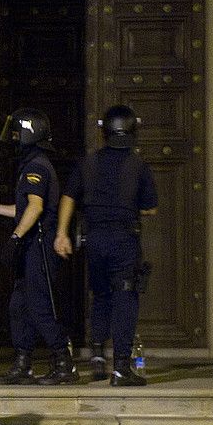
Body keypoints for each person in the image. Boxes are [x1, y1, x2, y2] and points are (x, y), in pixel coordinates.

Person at [55, 104, 158, 386]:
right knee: (125, 296)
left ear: (105, 132)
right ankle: (122, 368)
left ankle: (98, 355)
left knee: (100, 294)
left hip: (95, 239)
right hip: (124, 239)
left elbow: (68, 197)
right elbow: (150, 209)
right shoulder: (139, 166)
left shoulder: (88, 163)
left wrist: (62, 233)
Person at [0, 108, 77, 385]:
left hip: (38, 247)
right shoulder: (31, 163)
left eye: (16, 133)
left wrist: (15, 237)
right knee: (19, 306)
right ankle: (23, 363)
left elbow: (36, 208)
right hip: (30, 245)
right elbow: (22, 209)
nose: (13, 139)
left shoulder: (36, 165)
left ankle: (64, 363)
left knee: (41, 305)